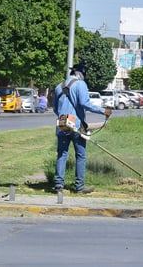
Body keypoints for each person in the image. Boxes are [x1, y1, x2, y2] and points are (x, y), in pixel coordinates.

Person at [53, 64, 112, 194]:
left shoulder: (59, 86)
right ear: (81, 73)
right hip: (76, 125)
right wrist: (103, 111)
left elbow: (55, 109)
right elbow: (85, 103)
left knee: (62, 154)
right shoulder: (81, 85)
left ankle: (58, 186)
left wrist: (64, 117)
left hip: (62, 123)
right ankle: (79, 187)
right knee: (80, 156)